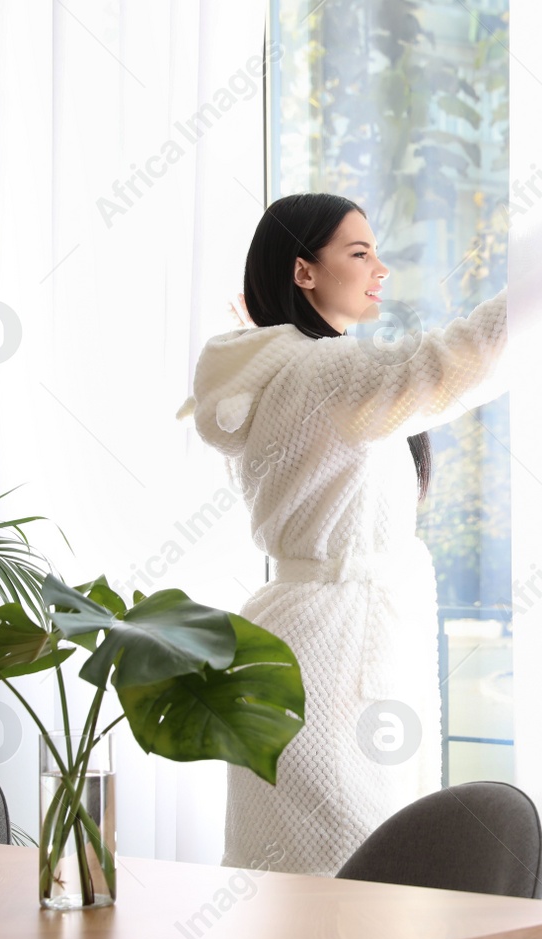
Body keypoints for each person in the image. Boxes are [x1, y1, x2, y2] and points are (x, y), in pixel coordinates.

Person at [175, 192, 509, 875]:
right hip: (326, 665)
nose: (380, 268)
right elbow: (450, 363)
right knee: (346, 875)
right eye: (359, 253)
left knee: (330, 879)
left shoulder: (302, 368)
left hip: (316, 646)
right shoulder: (317, 371)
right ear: (305, 272)